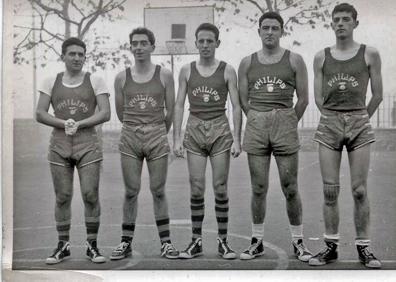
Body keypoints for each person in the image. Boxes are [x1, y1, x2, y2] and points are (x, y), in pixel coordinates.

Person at [309, 3, 383, 268]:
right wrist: (334, 117)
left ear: (355, 23)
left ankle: (364, 248)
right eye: (336, 20)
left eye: (346, 19)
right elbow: (318, 97)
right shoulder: (321, 57)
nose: (341, 23)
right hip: (329, 122)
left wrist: (360, 118)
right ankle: (331, 248)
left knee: (359, 189)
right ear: (331, 24)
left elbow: (378, 94)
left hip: (359, 122)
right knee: (330, 190)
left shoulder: (369, 54)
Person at [238, 12, 312, 262]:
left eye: (275, 28)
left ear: (282, 32)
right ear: (258, 31)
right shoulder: (247, 62)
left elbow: (303, 99)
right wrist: (257, 118)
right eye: (265, 28)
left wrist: (288, 120)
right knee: (258, 187)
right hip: (257, 123)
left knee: (290, 187)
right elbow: (243, 99)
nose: (270, 32)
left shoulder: (295, 60)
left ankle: (299, 242)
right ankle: (256, 241)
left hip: (285, 122)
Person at [36, 37, 110, 264]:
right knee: (63, 196)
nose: (77, 58)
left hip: (87, 144)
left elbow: (105, 113)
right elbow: (39, 113)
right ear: (63, 56)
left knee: (90, 194)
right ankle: (63, 245)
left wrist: (80, 124)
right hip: (59, 144)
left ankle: (92, 246)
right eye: (72, 54)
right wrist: (64, 123)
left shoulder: (95, 80)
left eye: (81, 54)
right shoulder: (51, 81)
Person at [173, 23, 242, 259]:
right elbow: (179, 104)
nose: (205, 45)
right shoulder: (186, 70)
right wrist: (177, 138)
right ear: (196, 43)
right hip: (194, 128)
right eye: (201, 41)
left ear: (217, 43)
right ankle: (196, 241)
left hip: (220, 129)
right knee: (197, 187)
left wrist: (237, 138)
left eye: (209, 41)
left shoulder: (227, 70)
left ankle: (223, 241)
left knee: (220, 188)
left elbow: (236, 105)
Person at [110, 27, 179, 260]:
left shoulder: (165, 75)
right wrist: (136, 128)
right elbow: (120, 113)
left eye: (143, 43)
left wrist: (159, 131)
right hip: (130, 136)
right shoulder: (121, 77)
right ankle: (125, 242)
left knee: (158, 190)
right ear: (131, 47)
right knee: (131, 191)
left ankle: (166, 243)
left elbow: (171, 110)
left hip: (157, 134)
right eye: (134, 43)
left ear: (152, 46)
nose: (138, 47)